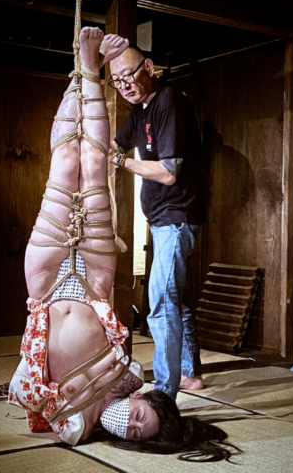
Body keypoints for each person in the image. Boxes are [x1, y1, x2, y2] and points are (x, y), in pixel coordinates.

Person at [7, 27, 165, 446]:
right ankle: (90, 70)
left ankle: (83, 67)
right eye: (139, 417)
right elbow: (136, 376)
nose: (128, 422)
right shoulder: (129, 380)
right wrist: (117, 387)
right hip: (95, 283)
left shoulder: (71, 426)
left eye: (133, 431)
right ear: (145, 400)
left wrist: (70, 396)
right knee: (94, 164)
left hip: (46, 286)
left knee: (63, 164)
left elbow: (20, 388)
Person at [108, 46, 206, 401]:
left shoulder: (169, 103)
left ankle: (164, 392)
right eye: (116, 80)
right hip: (162, 219)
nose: (124, 85)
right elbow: (113, 145)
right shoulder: (141, 110)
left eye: (128, 75)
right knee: (174, 298)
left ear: (149, 67)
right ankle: (190, 375)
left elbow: (167, 173)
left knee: (161, 300)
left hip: (177, 217)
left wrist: (121, 162)